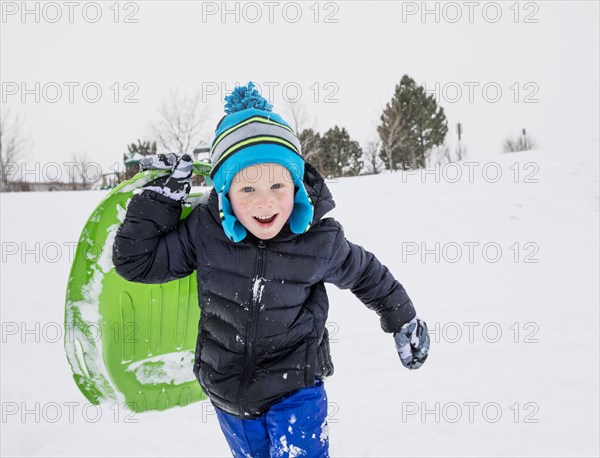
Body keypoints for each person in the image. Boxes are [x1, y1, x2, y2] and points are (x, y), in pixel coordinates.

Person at [112, 81, 430, 457]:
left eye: (278, 185)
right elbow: (137, 262)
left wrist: (402, 319)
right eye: (247, 190)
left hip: (296, 386)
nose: (265, 202)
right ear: (225, 192)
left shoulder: (317, 240)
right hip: (227, 389)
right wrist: (161, 200)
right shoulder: (205, 231)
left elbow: (366, 274)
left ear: (295, 186)